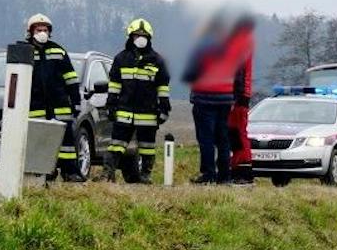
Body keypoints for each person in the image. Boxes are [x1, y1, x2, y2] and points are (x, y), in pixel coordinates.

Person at [183, 14, 254, 184]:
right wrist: (235, 96)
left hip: (204, 99)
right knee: (223, 139)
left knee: (206, 139)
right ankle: (225, 176)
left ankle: (208, 175)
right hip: (225, 100)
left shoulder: (202, 46)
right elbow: (238, 75)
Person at [104, 19, 171, 183]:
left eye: (144, 35)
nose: (140, 38)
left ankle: (145, 175)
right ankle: (108, 174)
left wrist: (164, 108)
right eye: (137, 35)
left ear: (149, 38)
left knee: (147, 147)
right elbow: (114, 85)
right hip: (124, 110)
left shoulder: (157, 61)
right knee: (116, 145)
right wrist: (111, 105)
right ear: (131, 37)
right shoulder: (121, 59)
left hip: (148, 112)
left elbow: (162, 87)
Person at [24, 14, 84, 181]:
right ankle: (43, 173)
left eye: (45, 30)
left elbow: (71, 79)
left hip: (60, 104)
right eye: (38, 30)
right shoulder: (24, 50)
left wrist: (76, 101)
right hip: (35, 106)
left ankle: (70, 172)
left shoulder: (58, 51)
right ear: (31, 32)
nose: (42, 33)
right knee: (39, 140)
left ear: (49, 32)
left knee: (66, 142)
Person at [227, 90, 253, 183]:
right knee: (236, 135)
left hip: (240, 99)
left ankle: (242, 170)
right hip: (239, 99)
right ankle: (238, 168)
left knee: (238, 135)